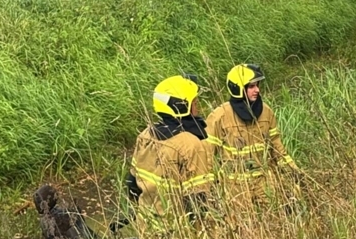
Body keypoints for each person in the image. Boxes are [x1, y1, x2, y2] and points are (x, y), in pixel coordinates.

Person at [120, 74, 216, 230]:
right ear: (182, 106)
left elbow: (132, 184)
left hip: (146, 226)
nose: (198, 108)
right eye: (195, 103)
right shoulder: (191, 144)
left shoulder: (145, 135)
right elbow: (198, 200)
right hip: (177, 232)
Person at [206, 64, 297, 196]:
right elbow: (207, 155)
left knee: (272, 214)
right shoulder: (220, 116)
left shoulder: (266, 112)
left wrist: (294, 172)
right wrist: (210, 190)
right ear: (238, 88)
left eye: (257, 85)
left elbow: (277, 148)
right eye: (251, 86)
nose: (257, 90)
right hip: (235, 187)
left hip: (265, 183)